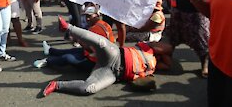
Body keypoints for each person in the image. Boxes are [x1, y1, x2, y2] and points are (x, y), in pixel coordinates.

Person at [41, 16, 170, 97]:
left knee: (89, 88)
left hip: (114, 74)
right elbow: (168, 49)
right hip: (115, 55)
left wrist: (162, 60)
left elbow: (168, 65)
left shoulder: (151, 69)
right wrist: (164, 53)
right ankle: (68, 27)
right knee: (100, 42)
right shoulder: (148, 48)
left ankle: (57, 85)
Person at [33, 3, 115, 71]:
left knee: (67, 58)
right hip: (98, 57)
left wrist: (78, 40)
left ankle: (47, 61)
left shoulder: (96, 28)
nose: (87, 19)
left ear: (97, 15)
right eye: (86, 17)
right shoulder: (103, 24)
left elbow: (90, 49)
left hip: (96, 63)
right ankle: (50, 50)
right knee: (72, 51)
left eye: (89, 16)